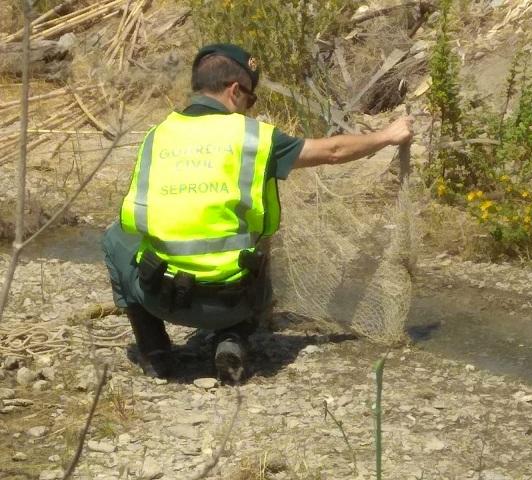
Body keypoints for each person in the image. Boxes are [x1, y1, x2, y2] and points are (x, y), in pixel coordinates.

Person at [102, 43, 413, 381]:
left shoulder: (156, 136)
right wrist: (387, 135)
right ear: (235, 91)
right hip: (232, 301)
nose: (249, 109)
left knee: (114, 238)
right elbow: (333, 151)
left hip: (161, 298)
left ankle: (155, 352)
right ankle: (232, 338)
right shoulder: (253, 138)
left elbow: (132, 217)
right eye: (250, 100)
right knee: (259, 240)